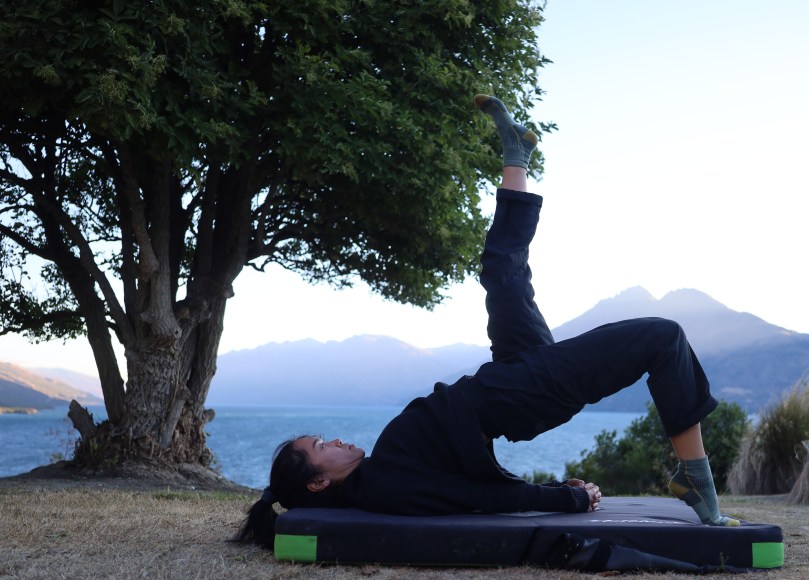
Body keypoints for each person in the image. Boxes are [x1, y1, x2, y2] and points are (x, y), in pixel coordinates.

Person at [234, 94, 739, 549]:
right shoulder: (385, 485)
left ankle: (514, 155)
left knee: (502, 272)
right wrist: (565, 499)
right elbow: (473, 496)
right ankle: (697, 479)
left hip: (506, 380)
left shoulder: (380, 472)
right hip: (518, 396)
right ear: (319, 482)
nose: (336, 440)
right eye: (322, 447)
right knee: (662, 336)